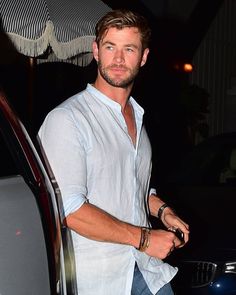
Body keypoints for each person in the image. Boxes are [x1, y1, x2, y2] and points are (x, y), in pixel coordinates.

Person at [38, 9, 189, 295]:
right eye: (110, 47)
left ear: (143, 57)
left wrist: (163, 211)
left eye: (128, 49)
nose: (118, 59)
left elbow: (129, 185)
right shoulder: (68, 119)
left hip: (146, 269)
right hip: (97, 278)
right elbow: (69, 210)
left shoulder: (137, 118)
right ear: (96, 51)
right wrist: (145, 239)